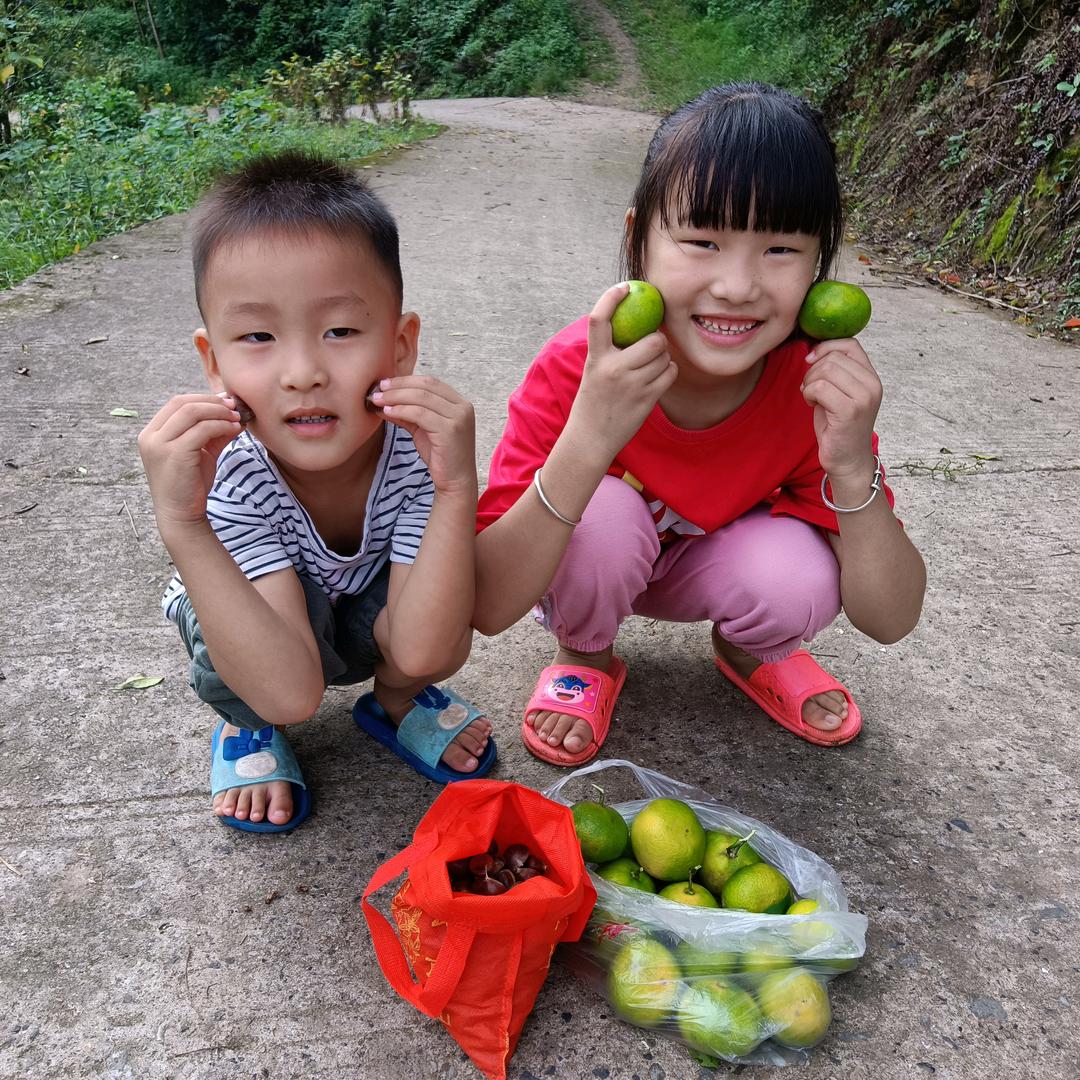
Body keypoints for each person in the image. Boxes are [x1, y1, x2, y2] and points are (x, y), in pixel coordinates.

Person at [473, 83, 926, 765]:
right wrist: (591, 434)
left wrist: (853, 464)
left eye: (780, 250)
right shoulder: (578, 368)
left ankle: (750, 650)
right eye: (702, 240)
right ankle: (585, 653)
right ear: (639, 243)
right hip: (596, 564)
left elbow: (890, 618)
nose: (738, 286)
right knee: (598, 509)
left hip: (711, 567)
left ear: (820, 265)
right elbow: (487, 603)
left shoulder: (815, 384)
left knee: (798, 574)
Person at [139, 152, 494, 833]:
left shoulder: (419, 452)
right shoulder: (229, 476)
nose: (303, 372)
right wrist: (183, 527)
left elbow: (427, 644)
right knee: (258, 678)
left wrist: (456, 488)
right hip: (260, 637)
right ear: (213, 361)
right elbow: (292, 691)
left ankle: (393, 703)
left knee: (444, 590)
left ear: (399, 345)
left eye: (339, 331)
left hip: (347, 604)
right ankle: (246, 727)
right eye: (258, 337)